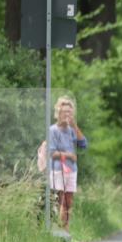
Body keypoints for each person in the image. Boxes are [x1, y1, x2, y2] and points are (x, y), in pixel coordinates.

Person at [47, 96, 87, 233]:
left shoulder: (71, 130)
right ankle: (57, 229)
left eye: (70, 112)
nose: (67, 115)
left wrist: (75, 125)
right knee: (60, 200)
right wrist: (69, 155)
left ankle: (66, 229)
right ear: (58, 113)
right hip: (58, 169)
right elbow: (51, 152)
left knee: (69, 201)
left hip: (71, 170)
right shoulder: (53, 130)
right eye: (64, 112)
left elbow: (83, 144)